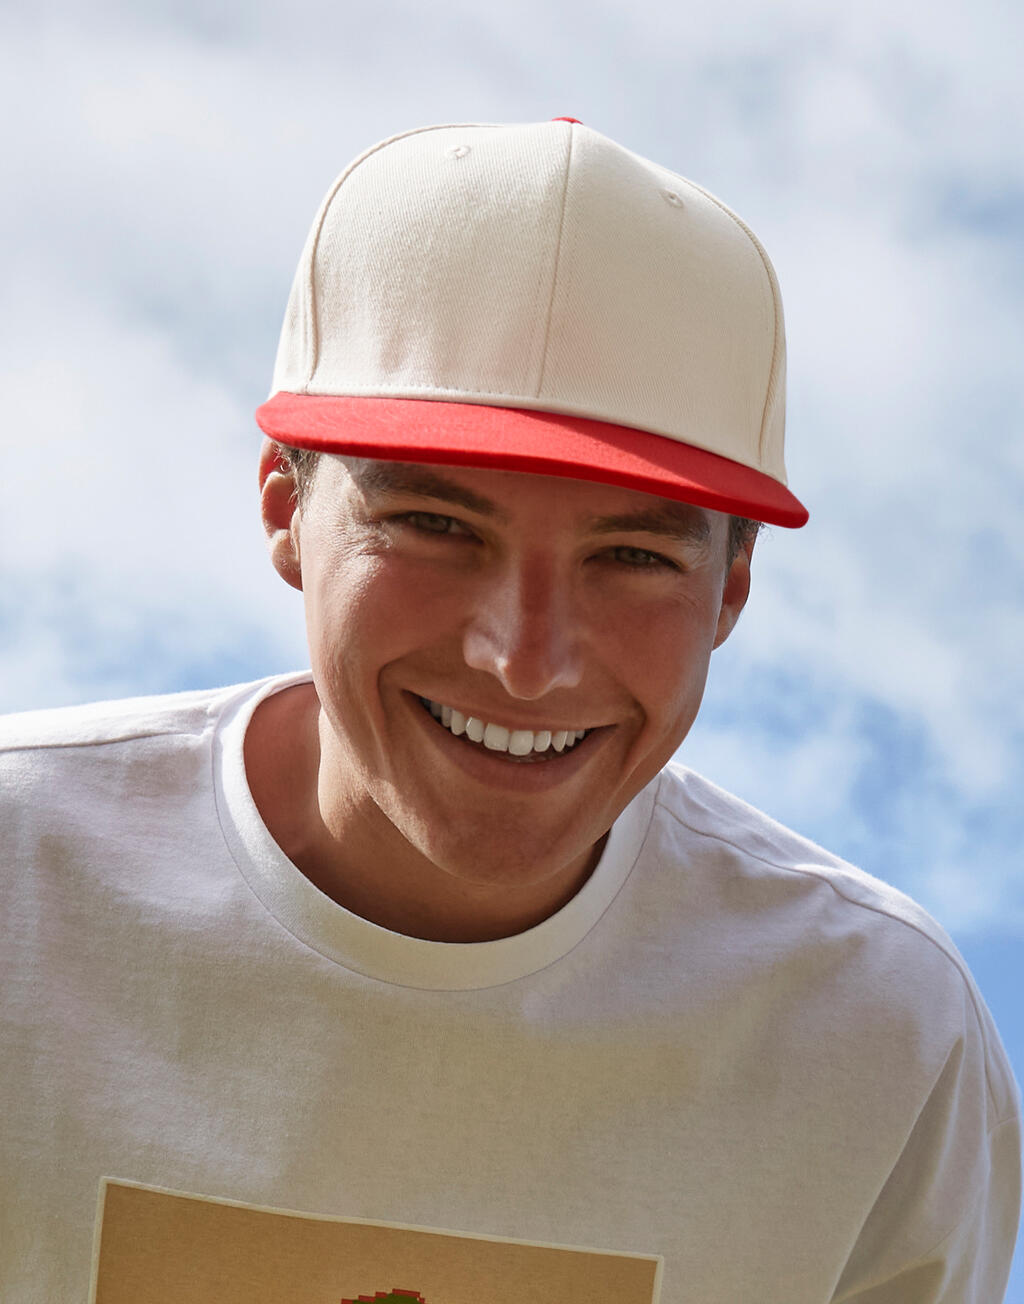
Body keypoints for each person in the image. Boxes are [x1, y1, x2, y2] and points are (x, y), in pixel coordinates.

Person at [1, 119, 1019, 1303]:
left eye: (632, 554)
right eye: (435, 525)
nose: (526, 661)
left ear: (732, 588)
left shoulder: (878, 1034)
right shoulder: (23, 887)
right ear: (284, 508)